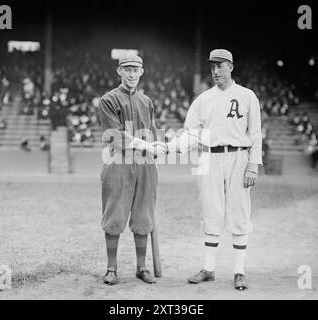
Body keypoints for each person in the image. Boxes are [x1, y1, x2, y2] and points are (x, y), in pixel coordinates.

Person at [165, 49, 262, 290]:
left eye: (219, 66)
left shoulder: (247, 96)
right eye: (212, 67)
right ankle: (209, 269)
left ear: (230, 66)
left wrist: (253, 165)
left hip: (239, 156)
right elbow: (190, 134)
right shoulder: (203, 99)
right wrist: (168, 148)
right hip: (209, 157)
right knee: (210, 210)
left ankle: (239, 271)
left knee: (239, 211)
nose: (215, 71)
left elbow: (255, 133)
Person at [98, 54, 166, 286]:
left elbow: (153, 133)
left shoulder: (147, 101)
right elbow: (114, 136)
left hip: (145, 165)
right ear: (119, 71)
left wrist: (156, 148)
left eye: (135, 69)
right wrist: (145, 144)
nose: (131, 73)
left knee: (143, 216)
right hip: (118, 163)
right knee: (114, 215)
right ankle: (111, 268)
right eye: (126, 69)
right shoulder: (108, 100)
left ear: (142, 72)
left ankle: (141, 267)